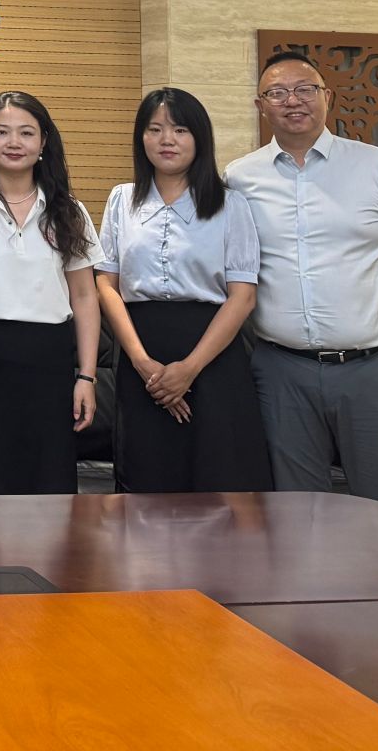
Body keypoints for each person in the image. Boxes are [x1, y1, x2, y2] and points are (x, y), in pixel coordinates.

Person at [227, 50, 378, 508]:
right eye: (277, 93)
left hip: (373, 368)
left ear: (328, 97)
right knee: (298, 512)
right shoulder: (240, 178)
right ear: (261, 106)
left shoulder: (377, 165)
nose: (292, 100)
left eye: (305, 89)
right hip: (281, 370)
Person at [95, 88, 270, 494]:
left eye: (179, 130)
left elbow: (243, 296)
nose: (166, 139)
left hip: (213, 355)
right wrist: (142, 363)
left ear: (199, 138)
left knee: (219, 476)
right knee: (147, 477)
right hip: (140, 351)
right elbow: (106, 284)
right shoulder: (122, 200)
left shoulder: (230, 205)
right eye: (154, 129)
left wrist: (189, 369)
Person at [0, 91, 102, 495]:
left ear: (43, 142)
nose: (14, 142)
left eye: (26, 132)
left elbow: (85, 298)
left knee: (50, 488)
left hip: (49, 364)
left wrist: (86, 376)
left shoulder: (69, 212)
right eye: (1, 132)